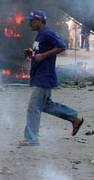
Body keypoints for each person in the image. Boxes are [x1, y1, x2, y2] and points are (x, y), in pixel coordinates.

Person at [19, 10, 84, 146]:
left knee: (33, 107)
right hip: (39, 75)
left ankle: (31, 139)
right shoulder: (39, 36)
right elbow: (40, 52)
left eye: (32, 20)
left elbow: (61, 46)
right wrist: (31, 53)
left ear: (39, 21)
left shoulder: (48, 33)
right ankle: (75, 118)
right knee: (46, 106)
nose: (30, 23)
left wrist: (43, 56)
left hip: (44, 76)